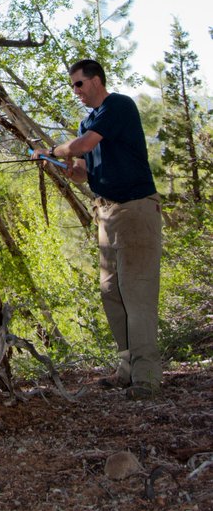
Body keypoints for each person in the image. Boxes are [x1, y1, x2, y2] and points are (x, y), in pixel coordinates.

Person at [32, 58, 162, 399]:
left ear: (97, 80)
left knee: (137, 294)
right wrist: (68, 170)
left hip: (135, 210)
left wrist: (52, 149)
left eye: (79, 84)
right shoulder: (86, 122)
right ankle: (127, 370)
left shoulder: (117, 106)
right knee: (112, 293)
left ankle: (147, 380)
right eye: (72, 85)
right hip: (106, 213)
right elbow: (88, 170)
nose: (75, 91)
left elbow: (83, 146)